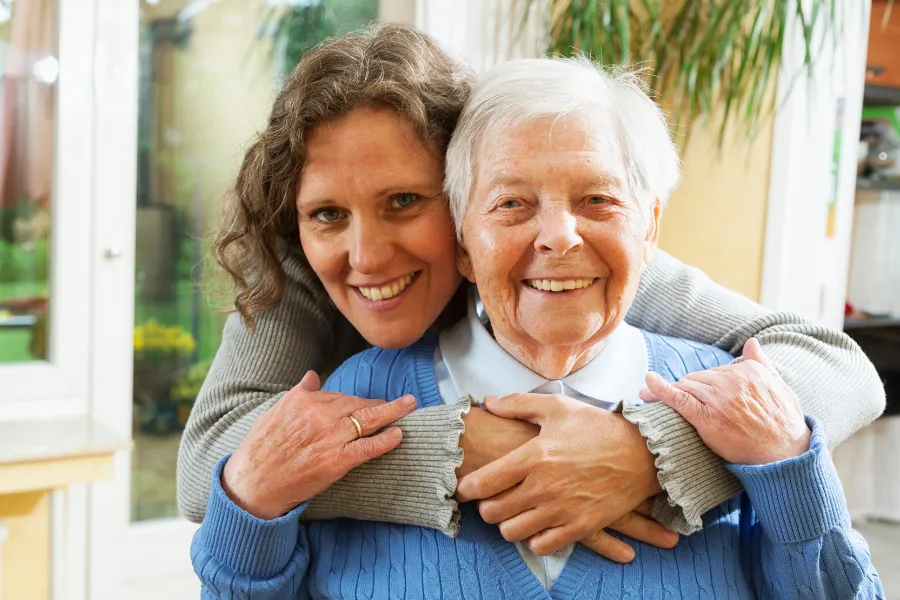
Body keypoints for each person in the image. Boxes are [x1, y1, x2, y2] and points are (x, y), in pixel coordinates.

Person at [178, 24, 885, 562]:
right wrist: (458, 451)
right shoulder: (297, 272)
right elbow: (208, 466)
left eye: (403, 201)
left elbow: (838, 367)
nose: (365, 254)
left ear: (468, 202)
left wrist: (647, 453)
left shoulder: (562, 262)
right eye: (328, 213)